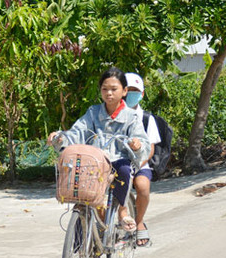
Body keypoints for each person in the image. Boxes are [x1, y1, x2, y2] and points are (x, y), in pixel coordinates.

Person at [47, 67, 150, 232]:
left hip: (117, 160)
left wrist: (137, 146)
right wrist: (60, 137)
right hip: (94, 161)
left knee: (123, 170)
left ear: (124, 91)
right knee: (81, 191)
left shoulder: (132, 116)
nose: (109, 93)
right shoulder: (93, 112)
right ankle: (83, 244)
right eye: (105, 89)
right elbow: (77, 132)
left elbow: (143, 142)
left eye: (114, 89)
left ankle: (122, 211)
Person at [124, 72, 161, 247]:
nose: (131, 93)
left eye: (135, 90)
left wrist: (138, 165)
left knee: (143, 187)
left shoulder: (147, 118)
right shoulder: (111, 115)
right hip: (116, 161)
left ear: (142, 93)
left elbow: (151, 148)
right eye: (128, 89)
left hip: (140, 162)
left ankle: (139, 221)